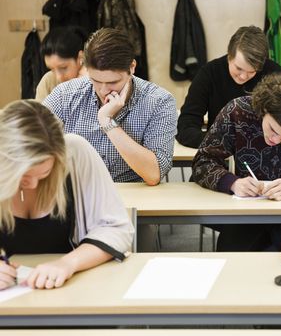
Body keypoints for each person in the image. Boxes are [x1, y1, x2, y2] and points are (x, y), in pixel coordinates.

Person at [192, 71, 281, 251]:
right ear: (264, 109)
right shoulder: (237, 111)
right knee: (233, 260)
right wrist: (232, 183)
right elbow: (203, 161)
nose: (276, 140)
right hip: (247, 213)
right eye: (272, 129)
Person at [0, 100, 134, 291]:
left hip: (70, 289)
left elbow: (116, 229)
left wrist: (68, 263)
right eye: (23, 176)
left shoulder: (75, 152)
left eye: (44, 174)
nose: (33, 185)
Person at [43, 28, 177, 185]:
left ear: (132, 67)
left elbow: (154, 174)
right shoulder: (65, 95)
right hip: (75, 192)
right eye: (96, 80)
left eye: (113, 82)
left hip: (130, 197)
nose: (104, 90)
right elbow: (32, 142)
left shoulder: (159, 101)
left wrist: (108, 123)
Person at [176, 25, 281, 148]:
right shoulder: (209, 73)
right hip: (220, 153)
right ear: (229, 56)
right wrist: (219, 143)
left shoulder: (274, 75)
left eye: (252, 72)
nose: (243, 77)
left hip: (265, 153)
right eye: (239, 68)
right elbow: (186, 126)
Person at [35, 26, 89, 101]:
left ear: (80, 57)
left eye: (63, 68)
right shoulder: (48, 81)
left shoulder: (97, 81)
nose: (58, 77)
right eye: (52, 69)